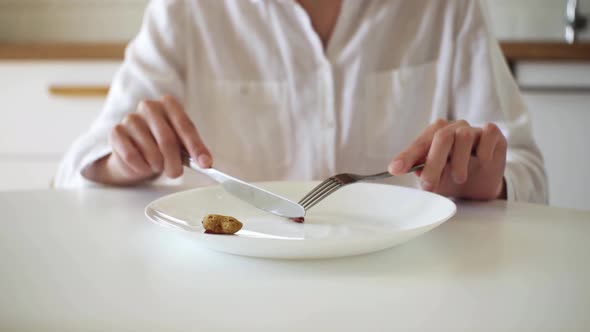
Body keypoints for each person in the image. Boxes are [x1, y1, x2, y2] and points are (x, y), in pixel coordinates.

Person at [55, 0, 548, 203]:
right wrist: (120, 162)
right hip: (223, 304)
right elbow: (74, 170)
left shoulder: (445, 7)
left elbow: (529, 171)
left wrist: (493, 183)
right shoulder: (187, 9)